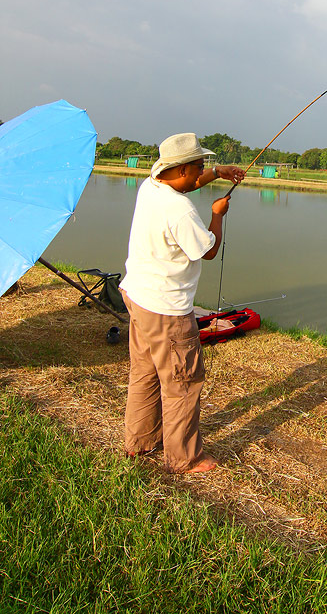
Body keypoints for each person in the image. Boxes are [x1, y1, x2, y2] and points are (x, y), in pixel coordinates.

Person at [120, 132, 244, 474]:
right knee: (183, 382)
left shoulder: (152, 186)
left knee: (145, 372)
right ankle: (184, 458)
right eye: (199, 166)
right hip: (166, 311)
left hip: (138, 296)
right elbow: (207, 250)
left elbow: (187, 185)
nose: (201, 172)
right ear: (183, 169)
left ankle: (141, 441)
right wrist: (218, 214)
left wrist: (218, 172)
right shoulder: (179, 210)